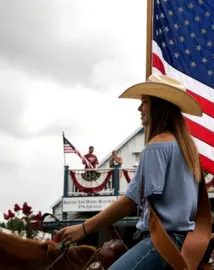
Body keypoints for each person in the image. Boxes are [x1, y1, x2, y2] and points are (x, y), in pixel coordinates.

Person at [56, 74, 203, 270]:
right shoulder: (187, 148)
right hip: (187, 243)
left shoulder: (156, 147)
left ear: (158, 105)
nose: (139, 108)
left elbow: (129, 202)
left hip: (162, 243)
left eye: (144, 102)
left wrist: (83, 228)